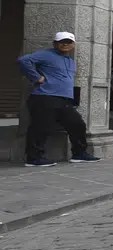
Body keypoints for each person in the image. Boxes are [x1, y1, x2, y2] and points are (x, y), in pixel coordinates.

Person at [16, 31, 101, 167]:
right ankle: (34, 158)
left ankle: (79, 154)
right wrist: (36, 77)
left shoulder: (70, 61)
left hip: (64, 100)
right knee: (41, 127)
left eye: (68, 42)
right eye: (61, 42)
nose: (65, 44)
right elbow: (23, 60)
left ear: (73, 45)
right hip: (44, 97)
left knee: (77, 124)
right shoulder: (46, 54)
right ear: (55, 43)